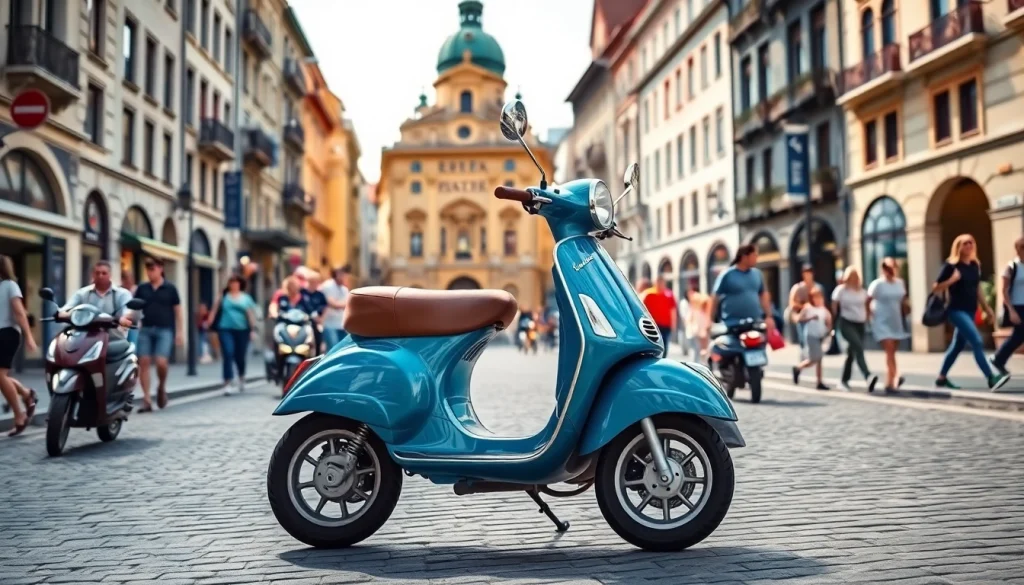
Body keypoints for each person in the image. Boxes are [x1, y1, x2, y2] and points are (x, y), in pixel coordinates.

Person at [933, 234, 1010, 391]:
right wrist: (952, 280)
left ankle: (941, 378)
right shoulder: (951, 266)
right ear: (958, 247)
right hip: (955, 310)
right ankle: (991, 377)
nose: (968, 245)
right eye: (964, 243)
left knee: (956, 346)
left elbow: (977, 289)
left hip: (970, 310)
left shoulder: (975, 265)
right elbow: (936, 287)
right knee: (976, 340)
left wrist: (987, 309)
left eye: (971, 243)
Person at [133, 258, 183, 411]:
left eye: (152, 268)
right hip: (146, 329)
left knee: (161, 362)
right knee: (144, 362)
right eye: (147, 269)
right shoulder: (142, 288)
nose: (149, 272)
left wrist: (180, 332)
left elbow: (178, 311)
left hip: (165, 329)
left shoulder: (170, 288)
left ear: (161, 268)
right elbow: (135, 308)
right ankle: (147, 399)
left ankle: (161, 387)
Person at [0, 255, 38, 437]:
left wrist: (29, 337)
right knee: (1, 376)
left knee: (0, 375)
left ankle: (19, 414)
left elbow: (19, 312)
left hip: (7, 333)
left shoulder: (10, 285)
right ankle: (26, 393)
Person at [207, 275, 257, 395]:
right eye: (231, 283)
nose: (233, 285)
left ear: (240, 284)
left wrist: (252, 329)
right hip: (225, 329)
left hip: (242, 330)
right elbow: (215, 309)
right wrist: (210, 320)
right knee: (228, 353)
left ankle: (241, 376)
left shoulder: (246, 298)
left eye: (236, 282)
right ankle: (227, 382)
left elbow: (250, 314)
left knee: (240, 356)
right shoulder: (223, 296)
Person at [709, 244, 776, 334]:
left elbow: (763, 295)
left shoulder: (757, 274)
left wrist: (769, 316)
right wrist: (710, 320)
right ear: (744, 257)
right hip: (731, 325)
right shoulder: (727, 275)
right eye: (754, 255)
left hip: (755, 324)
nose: (756, 258)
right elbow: (715, 297)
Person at [832, 266, 878, 391]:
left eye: (856, 276)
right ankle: (868, 376)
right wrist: (831, 323)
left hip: (860, 324)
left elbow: (866, 306)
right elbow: (834, 306)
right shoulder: (841, 290)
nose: (854, 279)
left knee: (852, 353)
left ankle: (843, 380)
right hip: (846, 322)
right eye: (851, 276)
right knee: (858, 346)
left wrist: (869, 319)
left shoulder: (862, 292)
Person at [867, 258, 909, 393]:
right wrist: (869, 316)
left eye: (892, 267)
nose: (889, 270)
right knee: (889, 348)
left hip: (895, 320)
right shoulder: (877, 284)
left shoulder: (900, 283)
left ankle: (889, 383)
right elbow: (867, 300)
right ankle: (897, 375)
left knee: (891, 352)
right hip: (881, 320)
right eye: (886, 267)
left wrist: (907, 309)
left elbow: (903, 301)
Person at [992, 236, 1024, 376]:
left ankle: (999, 358)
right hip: (1017, 306)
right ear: (1018, 249)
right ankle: (998, 358)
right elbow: (1004, 291)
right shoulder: (1012, 267)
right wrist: (1011, 310)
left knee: (1019, 336)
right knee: (1018, 336)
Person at [792, 289, 832, 390]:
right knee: (815, 358)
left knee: (819, 359)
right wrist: (810, 319)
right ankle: (798, 368)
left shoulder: (823, 309)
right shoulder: (808, 308)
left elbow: (829, 319)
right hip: (811, 335)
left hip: (820, 335)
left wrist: (829, 329)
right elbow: (798, 319)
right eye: (816, 297)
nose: (818, 300)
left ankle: (819, 381)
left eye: (820, 297)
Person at [788, 264, 823, 348]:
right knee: (804, 340)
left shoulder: (817, 287)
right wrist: (804, 306)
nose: (808, 275)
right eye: (806, 273)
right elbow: (792, 303)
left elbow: (822, 302)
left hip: (815, 317)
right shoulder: (797, 288)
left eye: (809, 273)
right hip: (803, 318)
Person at [640, 277, 677, 357]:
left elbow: (673, 310)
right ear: (655, 283)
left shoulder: (669, 294)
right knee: (654, 342)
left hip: (666, 324)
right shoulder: (648, 294)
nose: (661, 285)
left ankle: (663, 358)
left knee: (665, 343)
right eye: (659, 283)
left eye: (662, 283)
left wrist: (674, 324)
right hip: (654, 324)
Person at [320, 265, 351, 350]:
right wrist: (341, 304)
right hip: (330, 325)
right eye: (342, 274)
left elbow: (348, 305)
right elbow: (332, 303)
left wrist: (341, 304)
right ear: (336, 274)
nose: (344, 277)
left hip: (341, 325)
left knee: (342, 350)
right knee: (333, 350)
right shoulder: (327, 286)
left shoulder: (344, 289)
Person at [305, 270, 328, 354]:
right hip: (305, 322)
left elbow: (325, 307)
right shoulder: (302, 293)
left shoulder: (320, 295)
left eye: (316, 282)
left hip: (317, 322)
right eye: (312, 282)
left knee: (319, 340)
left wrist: (321, 319)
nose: (314, 284)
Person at [686, 293, 711, 359]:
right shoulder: (705, 314)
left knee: (696, 350)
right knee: (701, 350)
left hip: (695, 332)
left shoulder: (695, 311)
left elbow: (688, 320)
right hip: (700, 333)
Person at [677, 290, 692, 357]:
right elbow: (683, 313)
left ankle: (688, 349)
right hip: (684, 321)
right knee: (683, 335)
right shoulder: (683, 302)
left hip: (690, 323)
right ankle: (684, 350)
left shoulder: (691, 302)